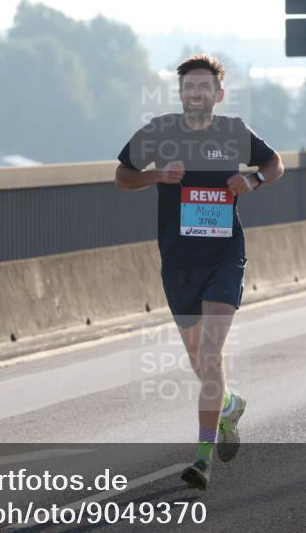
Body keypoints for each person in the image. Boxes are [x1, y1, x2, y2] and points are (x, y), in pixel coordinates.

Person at [114, 53, 284, 490]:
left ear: (218, 94)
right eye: (189, 86)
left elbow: (274, 163)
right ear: (181, 92)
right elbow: (122, 176)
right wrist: (158, 177)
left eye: (204, 87)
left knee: (210, 353)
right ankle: (229, 404)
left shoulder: (233, 132)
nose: (195, 93)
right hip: (178, 262)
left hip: (225, 255)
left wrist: (254, 181)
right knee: (199, 361)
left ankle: (202, 459)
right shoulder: (160, 132)